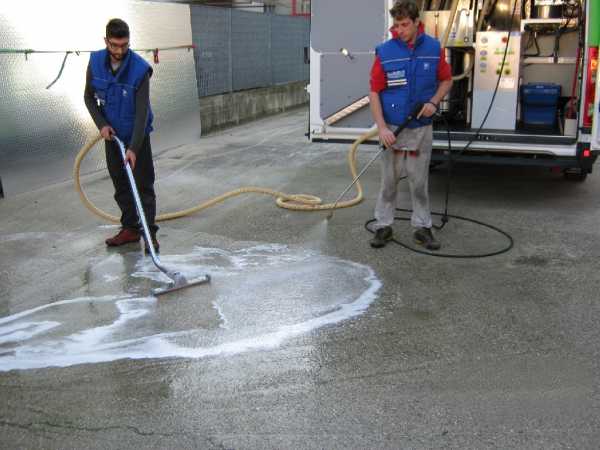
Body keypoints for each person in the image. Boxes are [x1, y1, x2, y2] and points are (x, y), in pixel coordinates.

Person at [368, 0, 452, 250]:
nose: (400, 30)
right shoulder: (385, 51)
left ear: (417, 23)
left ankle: (422, 227)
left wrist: (434, 102)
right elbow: (374, 92)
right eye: (396, 25)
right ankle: (383, 226)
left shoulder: (434, 48)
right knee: (389, 182)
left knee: (418, 182)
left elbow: (446, 80)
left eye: (405, 25)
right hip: (392, 130)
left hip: (421, 129)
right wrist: (382, 128)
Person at [84, 18, 159, 252]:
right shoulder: (95, 62)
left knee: (143, 186)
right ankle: (130, 229)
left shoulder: (139, 69)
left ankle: (149, 235)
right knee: (121, 184)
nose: (119, 51)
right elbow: (88, 97)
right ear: (106, 41)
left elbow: (141, 112)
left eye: (124, 45)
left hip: (137, 136)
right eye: (115, 45)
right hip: (113, 137)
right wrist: (101, 124)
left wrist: (134, 148)